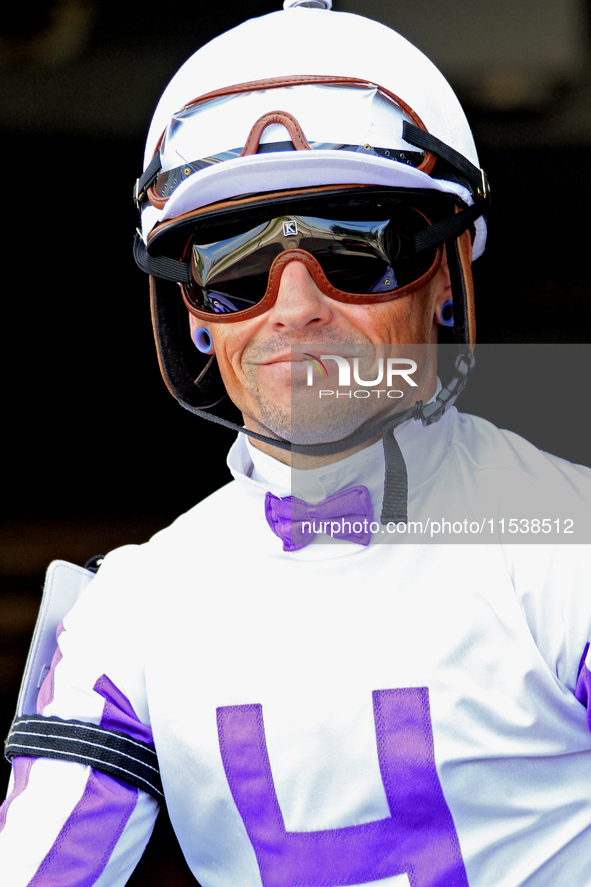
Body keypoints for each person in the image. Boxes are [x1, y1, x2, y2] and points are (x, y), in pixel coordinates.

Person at [2, 2, 591, 885]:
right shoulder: (126, 614)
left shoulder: (570, 548)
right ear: (192, 319)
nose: (294, 309)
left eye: (353, 249)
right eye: (231, 267)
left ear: (447, 274)